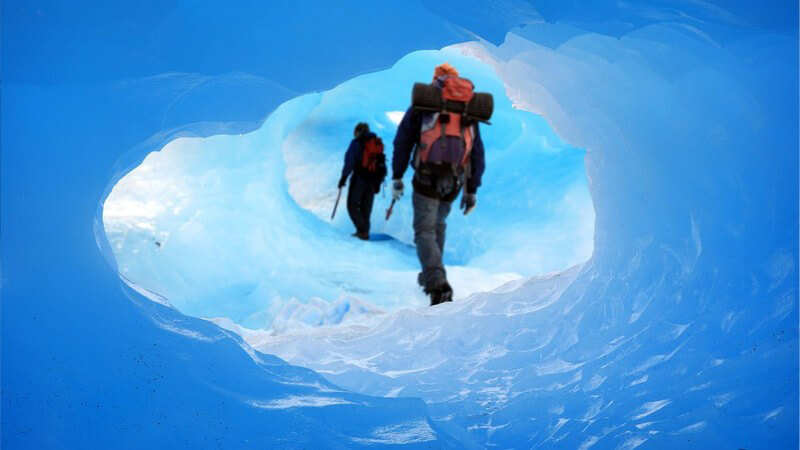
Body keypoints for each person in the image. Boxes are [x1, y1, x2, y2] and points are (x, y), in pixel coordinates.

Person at [391, 63, 485, 305]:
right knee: (438, 225)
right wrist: (471, 189)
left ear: (436, 80)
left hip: (426, 177)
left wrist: (397, 176)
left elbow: (403, 142)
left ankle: (436, 284)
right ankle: (433, 274)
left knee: (424, 231)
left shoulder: (425, 103)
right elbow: (476, 153)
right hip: (454, 181)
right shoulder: (467, 107)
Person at [339, 122, 387, 240]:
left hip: (359, 179)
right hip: (373, 181)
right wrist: (378, 183)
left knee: (352, 205)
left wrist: (344, 177)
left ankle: (362, 230)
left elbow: (349, 161)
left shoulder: (356, 143)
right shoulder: (376, 143)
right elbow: (381, 164)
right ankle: (363, 233)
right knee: (366, 209)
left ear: (357, 131)